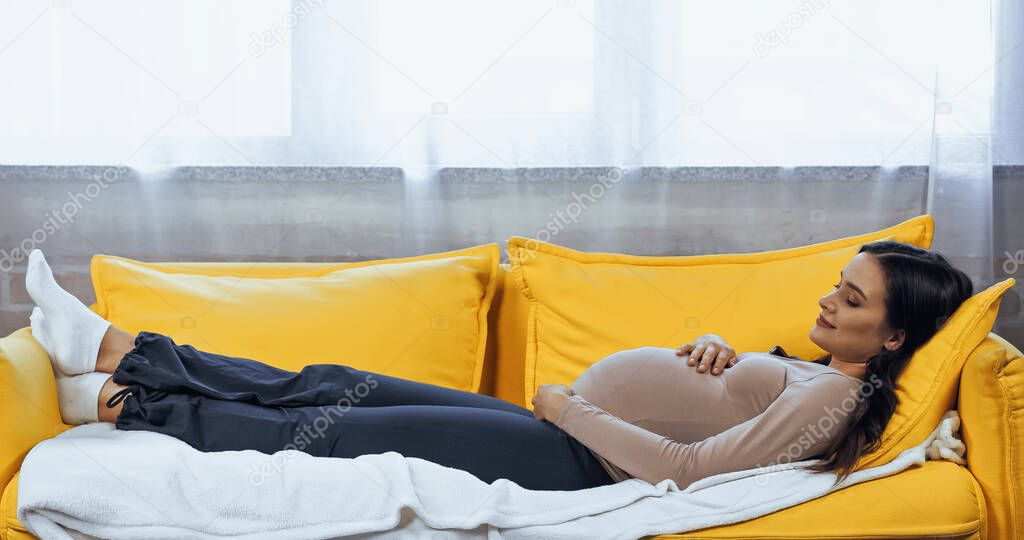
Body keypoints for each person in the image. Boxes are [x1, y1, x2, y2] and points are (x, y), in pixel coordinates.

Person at [24, 240, 971, 491]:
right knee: (329, 380)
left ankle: (122, 407)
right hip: (550, 431)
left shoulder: (837, 405)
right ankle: (126, 351)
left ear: (892, 340)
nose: (826, 303)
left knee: (332, 433)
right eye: (837, 285)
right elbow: (718, 407)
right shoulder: (817, 371)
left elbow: (690, 471)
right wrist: (729, 357)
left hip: (569, 460)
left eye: (850, 301)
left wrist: (565, 408)